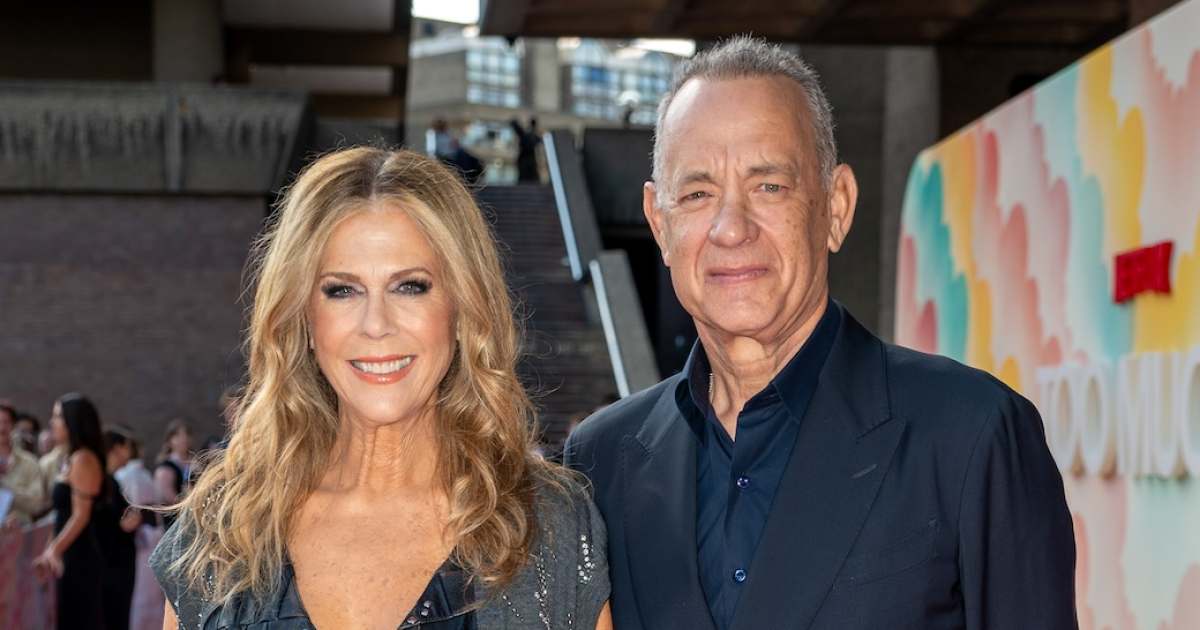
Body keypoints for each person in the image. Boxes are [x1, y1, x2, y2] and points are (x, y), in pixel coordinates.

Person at [565, 36, 1076, 630]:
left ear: (836, 207)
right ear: (659, 224)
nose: (731, 228)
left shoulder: (973, 433)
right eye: (698, 193)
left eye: (769, 187)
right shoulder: (601, 460)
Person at [151, 147, 612, 629]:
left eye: (410, 286)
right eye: (342, 290)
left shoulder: (548, 527)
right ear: (305, 320)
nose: (376, 324)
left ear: (462, 310)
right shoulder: (224, 531)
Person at [33, 394, 109, 629]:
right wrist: (49, 551)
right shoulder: (72, 457)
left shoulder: (83, 458)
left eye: (58, 416)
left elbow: (80, 515)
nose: (52, 422)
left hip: (80, 557)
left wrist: (54, 550)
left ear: (72, 422)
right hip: (69, 554)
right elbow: (62, 515)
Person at [112, 435, 164, 630]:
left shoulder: (125, 475)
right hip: (151, 535)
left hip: (140, 536)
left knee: (140, 593)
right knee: (150, 592)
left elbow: (131, 509)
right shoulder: (143, 474)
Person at [101, 428, 141, 630]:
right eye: (127, 447)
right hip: (111, 564)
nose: (130, 452)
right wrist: (124, 524)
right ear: (117, 448)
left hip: (120, 562)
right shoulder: (102, 482)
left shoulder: (113, 481)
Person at [1, 403, 46, 524]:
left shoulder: (29, 462)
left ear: (13, 425)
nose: (1, 428)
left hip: (21, 530)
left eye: (6, 422)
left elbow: (37, 504)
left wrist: (5, 487)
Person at [510, 117, 541, 183]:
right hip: (526, 159)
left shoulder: (528, 135)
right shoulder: (528, 134)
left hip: (527, 159)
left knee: (528, 175)